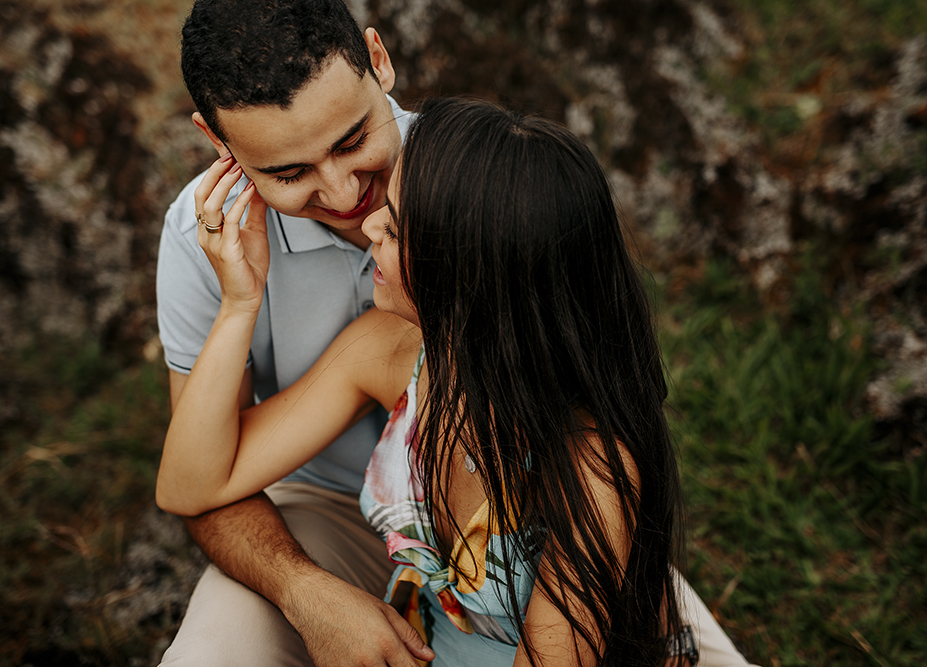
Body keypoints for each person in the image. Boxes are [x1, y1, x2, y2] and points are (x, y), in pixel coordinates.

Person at [156, 1, 757, 666]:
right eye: (289, 173)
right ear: (221, 144)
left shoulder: (483, 178)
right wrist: (240, 303)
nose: (345, 194)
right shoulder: (222, 246)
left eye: (353, 141)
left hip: (531, 522)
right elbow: (193, 482)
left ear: (378, 61)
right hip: (328, 515)